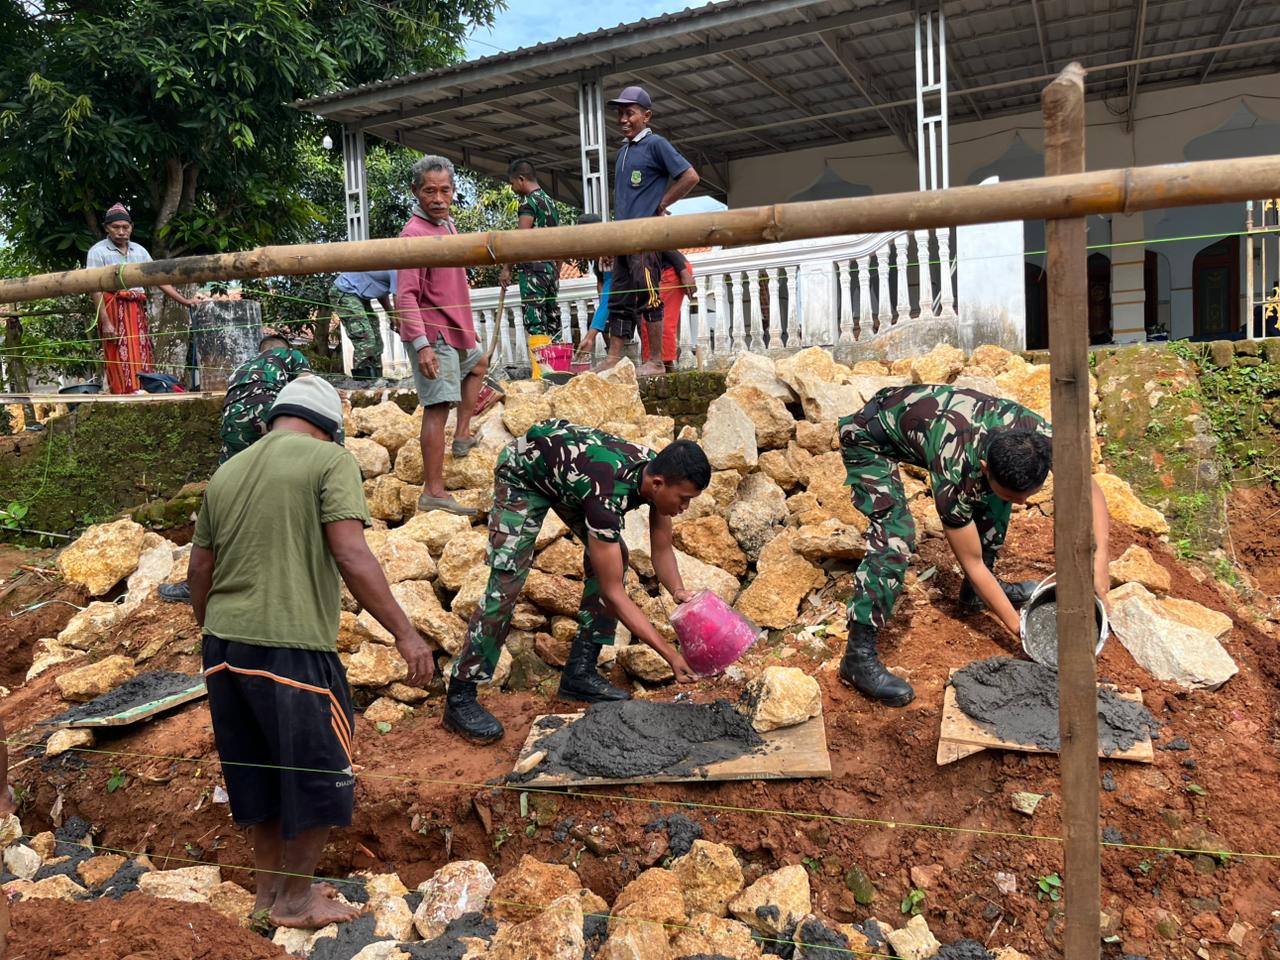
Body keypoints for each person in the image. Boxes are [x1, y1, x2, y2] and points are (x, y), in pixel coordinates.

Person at [189, 376, 433, 928]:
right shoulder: (328, 461)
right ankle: (297, 902)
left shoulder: (227, 471)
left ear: (273, 419)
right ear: (330, 428)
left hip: (223, 651)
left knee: (259, 773)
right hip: (291, 649)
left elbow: (198, 569)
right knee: (321, 772)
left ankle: (267, 898)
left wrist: (214, 626)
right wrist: (404, 632)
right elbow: (350, 552)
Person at [836, 384, 1112, 707]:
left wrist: (1101, 558)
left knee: (994, 504)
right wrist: (1022, 630)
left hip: (932, 427)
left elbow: (1089, 489)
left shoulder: (1039, 438)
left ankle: (974, 597)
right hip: (869, 438)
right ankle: (857, 656)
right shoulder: (955, 472)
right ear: (984, 468)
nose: (1023, 504)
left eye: (1029, 495)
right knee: (896, 536)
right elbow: (972, 562)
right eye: (1015, 496)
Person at [443, 424, 709, 743]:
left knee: (614, 556)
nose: (684, 508)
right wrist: (671, 656)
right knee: (507, 582)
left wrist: (677, 590)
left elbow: (662, 547)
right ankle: (460, 696)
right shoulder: (607, 494)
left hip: (569, 476)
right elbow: (614, 595)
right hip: (524, 471)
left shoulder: (656, 470)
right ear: (658, 484)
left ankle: (579, 674)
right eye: (683, 499)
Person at [159, 335, 312, 604]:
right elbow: (308, 388)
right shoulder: (291, 356)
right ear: (284, 349)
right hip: (268, 415)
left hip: (232, 425)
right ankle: (290, 573)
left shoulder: (241, 368)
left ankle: (198, 582)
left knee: (226, 497)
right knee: (283, 487)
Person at [397, 155, 489, 517]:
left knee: (480, 361)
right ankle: (433, 491)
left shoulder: (447, 226)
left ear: (453, 192)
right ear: (416, 192)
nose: (438, 198)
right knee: (437, 408)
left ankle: (463, 434)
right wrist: (420, 346)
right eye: (429, 191)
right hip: (433, 335)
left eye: (445, 190)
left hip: (456, 331)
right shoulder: (412, 235)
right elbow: (405, 295)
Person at [607, 85, 700, 377]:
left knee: (649, 295)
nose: (623, 119)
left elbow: (690, 176)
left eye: (630, 113)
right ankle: (612, 358)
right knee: (620, 298)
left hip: (646, 237)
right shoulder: (623, 152)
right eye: (620, 113)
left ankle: (657, 360)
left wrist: (662, 203)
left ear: (646, 116)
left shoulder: (656, 144)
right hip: (623, 238)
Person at [85, 203, 197, 394]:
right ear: (107, 228)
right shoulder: (97, 251)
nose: (121, 231)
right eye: (116, 227)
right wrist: (105, 321)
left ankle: (143, 388)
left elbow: (158, 278)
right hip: (112, 307)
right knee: (117, 350)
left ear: (131, 228)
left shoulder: (139, 251)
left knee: (141, 349)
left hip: (136, 307)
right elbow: (94, 288)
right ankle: (122, 391)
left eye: (125, 227)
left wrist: (184, 301)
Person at [500, 159, 562, 376]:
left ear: (521, 179)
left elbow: (521, 240)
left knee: (535, 320)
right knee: (552, 319)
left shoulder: (529, 204)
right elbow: (560, 240)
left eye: (512, 183)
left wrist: (507, 268)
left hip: (533, 270)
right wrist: (557, 269)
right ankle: (557, 372)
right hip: (551, 270)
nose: (513, 188)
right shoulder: (550, 202)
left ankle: (541, 375)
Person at [327, 270, 395, 381]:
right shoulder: (402, 270)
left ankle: (377, 381)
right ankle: (363, 383)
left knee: (377, 342)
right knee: (365, 337)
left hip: (361, 296)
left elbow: (382, 293)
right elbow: (401, 298)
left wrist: (392, 316)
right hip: (345, 291)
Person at [644, 250, 695, 372]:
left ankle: (661, 365)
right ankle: (666, 366)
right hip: (675, 269)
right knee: (660, 318)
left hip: (673, 269)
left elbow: (664, 245)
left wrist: (683, 272)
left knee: (656, 318)